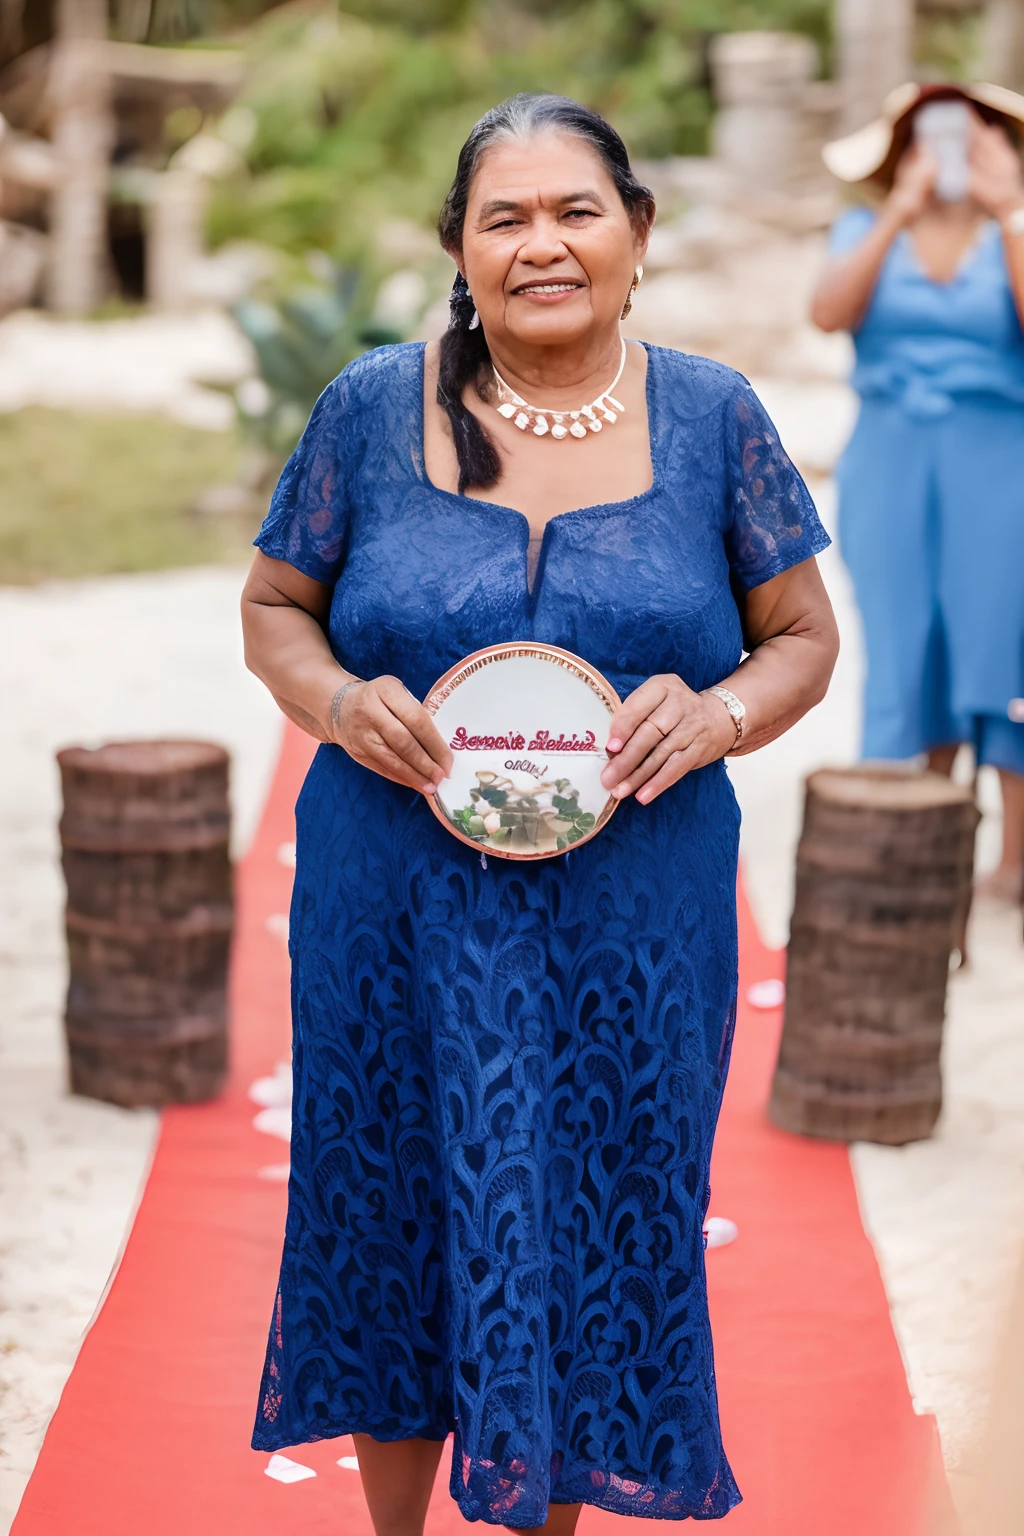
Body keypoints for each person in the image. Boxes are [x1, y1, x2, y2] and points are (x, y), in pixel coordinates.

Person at [241, 93, 838, 1534]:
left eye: (576, 210)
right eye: (504, 217)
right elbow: (276, 608)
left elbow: (801, 639)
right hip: (393, 890)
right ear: (458, 246)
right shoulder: (372, 409)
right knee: (390, 1205)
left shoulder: (713, 418)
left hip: (637, 905)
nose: (543, 244)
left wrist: (720, 714)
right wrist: (333, 703)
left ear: (638, 231)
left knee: (593, 1208)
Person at [812, 82, 1024, 904]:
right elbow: (828, 312)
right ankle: (916, 846)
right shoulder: (865, 227)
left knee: (1001, 641)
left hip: (1001, 458)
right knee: (906, 644)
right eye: (930, 136)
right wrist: (899, 210)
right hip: (890, 456)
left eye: (971, 136)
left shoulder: (1014, 227)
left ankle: (1013, 865)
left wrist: (1008, 208)